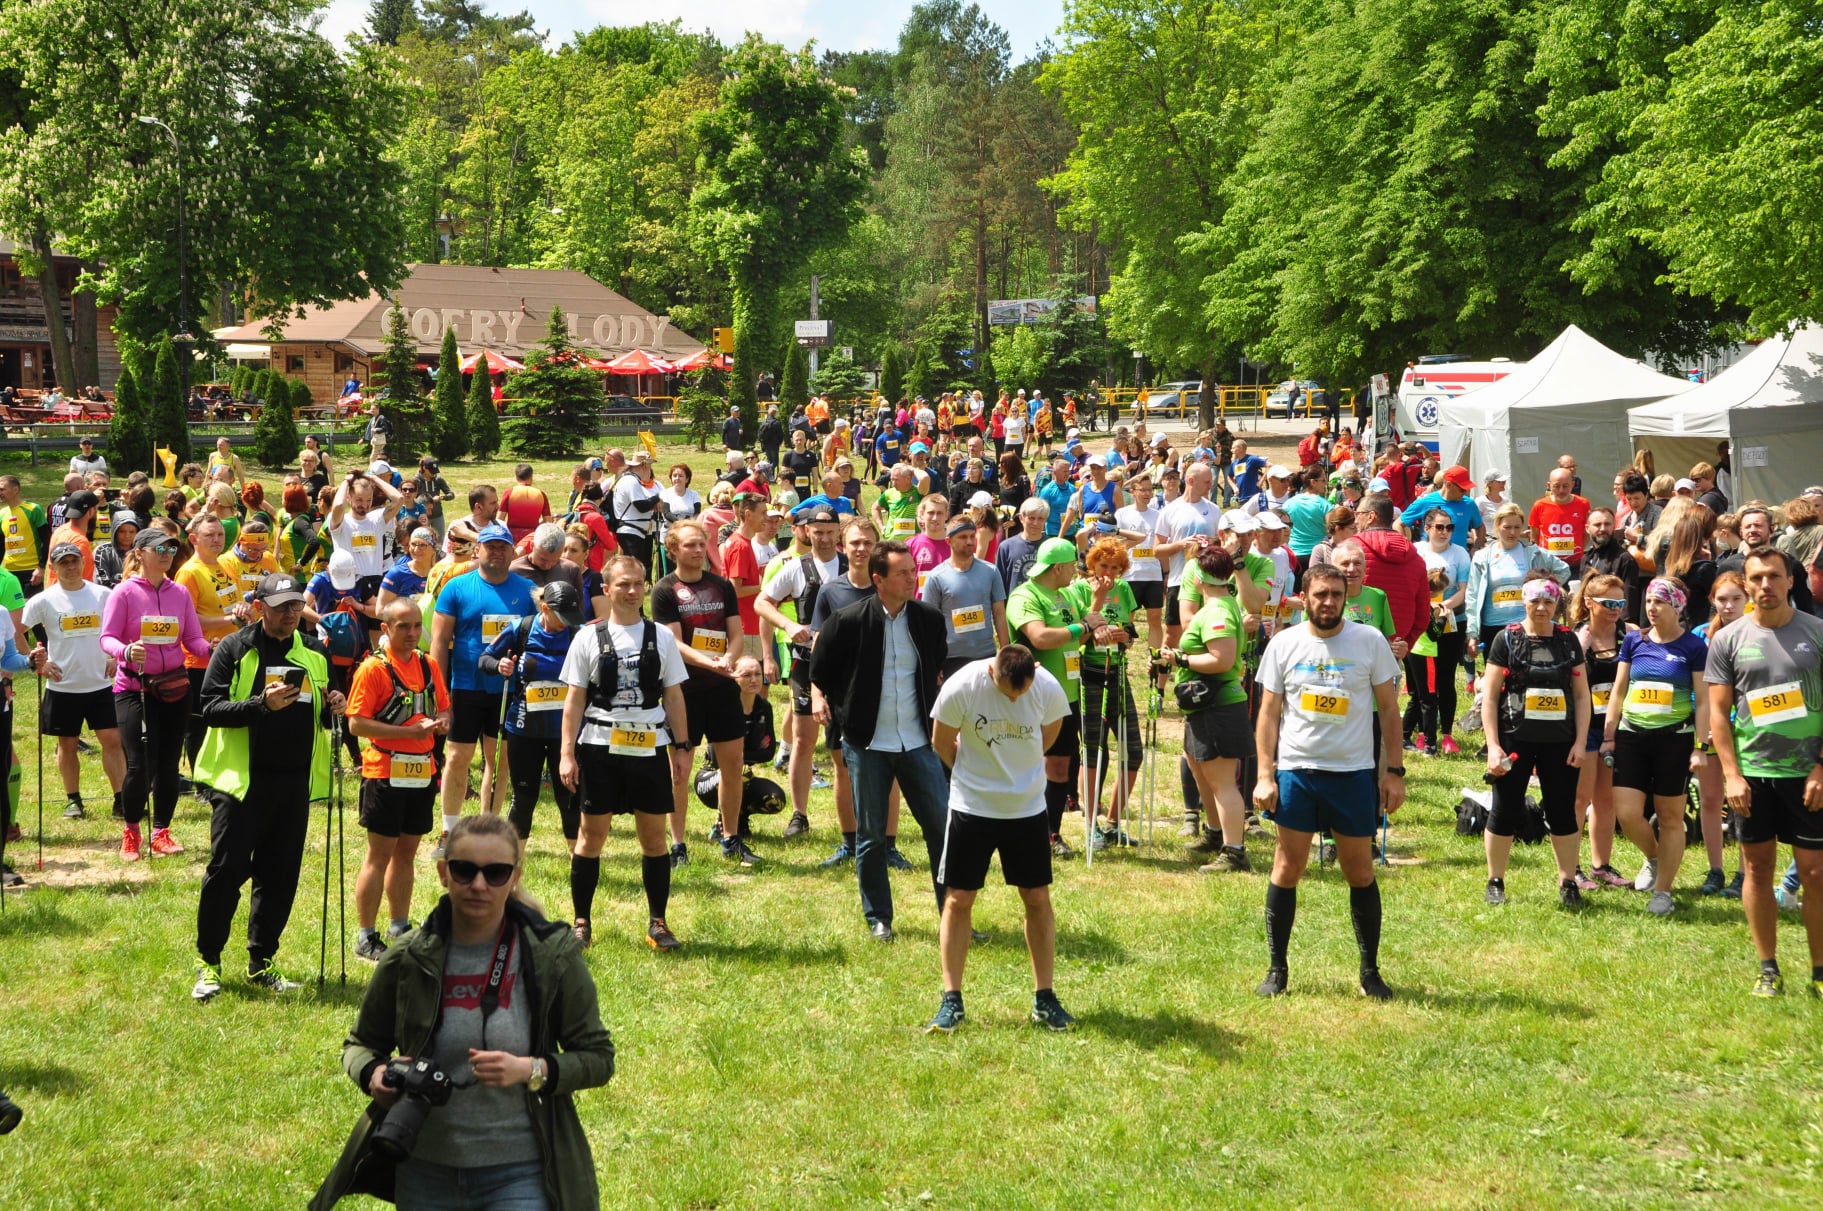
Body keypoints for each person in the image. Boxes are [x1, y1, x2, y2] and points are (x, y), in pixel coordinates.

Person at [311, 813, 616, 1211]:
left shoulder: (549, 955)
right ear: (442, 872)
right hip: (424, 1166)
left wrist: (531, 1070)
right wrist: (375, 1074)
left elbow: (598, 1059)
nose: (478, 884)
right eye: (464, 870)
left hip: (520, 1170)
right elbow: (359, 1045)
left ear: (515, 877)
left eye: (496, 873)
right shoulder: (407, 958)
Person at [1252, 560, 1405, 1000]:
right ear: (1305, 597)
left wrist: (1392, 772)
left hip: (1352, 774)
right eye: (1320, 594)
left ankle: (1370, 971)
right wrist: (1265, 775)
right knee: (1287, 867)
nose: (1329, 602)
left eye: (1337, 595)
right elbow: (1267, 714)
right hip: (1297, 771)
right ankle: (1277, 969)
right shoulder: (1284, 644)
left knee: (1359, 871)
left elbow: (1390, 712)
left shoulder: (1369, 641)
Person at [190, 572, 345, 1000]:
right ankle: (209, 962)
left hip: (293, 781)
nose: (291, 615)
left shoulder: (314, 652)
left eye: (296, 606)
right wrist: (260, 704)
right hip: (241, 782)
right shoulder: (234, 648)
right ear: (260, 608)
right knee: (226, 872)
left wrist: (336, 705)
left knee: (279, 876)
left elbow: (323, 709)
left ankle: (262, 961)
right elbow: (209, 707)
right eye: (281, 608)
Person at [926, 645, 1076, 1033]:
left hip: (1026, 809)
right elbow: (941, 741)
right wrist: (970, 774)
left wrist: (1021, 770)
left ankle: (1045, 999)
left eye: (1020, 694)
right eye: (1009, 692)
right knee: (958, 900)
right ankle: (951, 1001)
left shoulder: (1044, 684)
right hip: (971, 807)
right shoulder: (962, 685)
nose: (1014, 699)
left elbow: (1051, 731)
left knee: (1038, 898)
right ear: (993, 672)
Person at [809, 541, 952, 942]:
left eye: (913, 570)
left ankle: (953, 916)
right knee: (870, 836)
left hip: (919, 742)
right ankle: (879, 918)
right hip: (867, 744)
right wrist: (843, 707)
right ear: (879, 579)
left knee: (942, 830)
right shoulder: (848, 620)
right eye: (903, 573)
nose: (914, 577)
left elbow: (936, 665)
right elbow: (820, 671)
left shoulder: (928, 619)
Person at [560, 554, 693, 951]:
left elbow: (673, 694)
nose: (632, 591)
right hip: (599, 748)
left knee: (654, 839)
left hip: (649, 748)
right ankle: (581, 921)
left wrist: (682, 747)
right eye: (623, 584)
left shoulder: (661, 636)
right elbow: (574, 700)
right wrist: (567, 753)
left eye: (638, 583)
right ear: (607, 589)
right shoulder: (587, 637)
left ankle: (658, 922)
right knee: (591, 837)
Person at [1705, 550, 1823, 997]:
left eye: (1775, 575)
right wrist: (1732, 775)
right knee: (1757, 868)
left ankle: (1820, 972)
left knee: (1814, 873)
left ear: (1791, 580)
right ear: (1747, 583)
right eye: (1757, 577)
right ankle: (1768, 968)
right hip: (1753, 774)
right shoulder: (1729, 639)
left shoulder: (1816, 633)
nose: (1766, 584)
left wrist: (1821, 767)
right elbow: (1718, 713)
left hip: (1808, 774)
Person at [345, 598, 452, 963]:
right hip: (385, 770)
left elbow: (444, 706)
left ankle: (399, 926)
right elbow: (356, 723)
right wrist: (404, 733)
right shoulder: (373, 670)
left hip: (422, 770)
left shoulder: (429, 664)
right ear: (386, 630)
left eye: (416, 626)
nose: (411, 634)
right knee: (380, 854)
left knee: (407, 853)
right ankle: (365, 935)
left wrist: (443, 721)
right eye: (403, 627)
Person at [1479, 575, 1593, 909]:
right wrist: (1493, 745)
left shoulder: (1568, 641)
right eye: (1535, 601)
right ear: (1524, 602)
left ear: (1557, 603)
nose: (1541, 608)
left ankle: (1568, 881)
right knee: (1505, 809)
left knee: (1562, 812)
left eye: (1548, 601)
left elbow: (1582, 695)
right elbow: (1488, 697)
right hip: (1515, 738)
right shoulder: (1507, 639)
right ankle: (1495, 880)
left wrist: (1581, 742)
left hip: (1560, 740)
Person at [1602, 576, 1710, 914]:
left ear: (1676, 606)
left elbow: (1703, 702)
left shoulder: (1693, 647)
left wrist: (1700, 746)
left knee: (1670, 817)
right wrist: (1609, 735)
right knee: (1627, 812)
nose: (1652, 608)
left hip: (1674, 740)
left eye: (1659, 602)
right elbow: (1618, 691)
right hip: (1632, 736)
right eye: (1649, 601)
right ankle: (1653, 857)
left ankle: (1663, 891)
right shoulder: (1634, 640)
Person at [101, 528, 211, 860]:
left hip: (175, 688)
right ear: (140, 552)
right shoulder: (123, 593)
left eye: (171, 548)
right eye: (159, 547)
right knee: (140, 765)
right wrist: (125, 651)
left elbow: (193, 641)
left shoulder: (179, 593)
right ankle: (132, 831)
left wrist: (216, 651)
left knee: (168, 764)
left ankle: (161, 831)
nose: (166, 553)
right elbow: (107, 637)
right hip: (135, 690)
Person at [1008, 538, 1121, 858]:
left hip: (1068, 696)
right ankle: (1018, 831)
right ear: (1058, 567)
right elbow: (1040, 637)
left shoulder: (1065, 595)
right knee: (1027, 768)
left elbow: (1080, 634)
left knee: (1060, 767)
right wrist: (1083, 624)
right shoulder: (1025, 596)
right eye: (1073, 565)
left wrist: (1095, 611)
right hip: (1033, 696)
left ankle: (1050, 834)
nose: (1076, 571)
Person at [650, 520, 752, 867]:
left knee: (733, 766)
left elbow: (736, 633)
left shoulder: (721, 587)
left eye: (700, 544)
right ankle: (677, 845)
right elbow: (673, 643)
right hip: (684, 691)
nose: (696, 551)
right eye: (689, 545)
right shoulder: (664, 590)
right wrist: (714, 663)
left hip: (723, 689)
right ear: (673, 549)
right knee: (679, 769)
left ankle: (731, 836)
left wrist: (730, 658)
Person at [430, 523, 536, 851]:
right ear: (478, 550)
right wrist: (439, 692)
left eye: (503, 546)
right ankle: (449, 831)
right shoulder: (456, 587)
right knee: (458, 757)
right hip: (465, 686)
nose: (497, 551)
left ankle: (487, 830)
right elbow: (439, 640)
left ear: (512, 550)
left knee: (499, 760)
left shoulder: (528, 590)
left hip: (507, 689)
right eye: (490, 546)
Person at [1159, 545, 1253, 870]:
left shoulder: (1217, 611)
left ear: (1198, 576)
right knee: (1204, 773)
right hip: (1204, 704)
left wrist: (1179, 658)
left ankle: (1234, 851)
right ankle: (1215, 834)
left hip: (1219, 705)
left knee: (1223, 781)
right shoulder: (1216, 606)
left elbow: (1222, 660)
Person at [756, 508, 846, 841]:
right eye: (817, 532)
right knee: (804, 739)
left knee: (848, 743)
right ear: (806, 532)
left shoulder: (853, 566)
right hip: (806, 662)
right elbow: (763, 603)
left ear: (839, 532)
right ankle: (799, 814)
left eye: (829, 531)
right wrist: (789, 624)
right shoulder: (796, 568)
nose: (823, 538)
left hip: (847, 664)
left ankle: (855, 815)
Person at [23, 541, 125, 821]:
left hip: (100, 684)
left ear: (83, 563)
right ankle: (73, 800)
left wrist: (115, 655)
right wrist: (36, 662)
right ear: (53, 568)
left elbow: (120, 627)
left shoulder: (102, 594)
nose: (70, 567)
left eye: (74, 561)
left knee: (113, 740)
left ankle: (121, 799)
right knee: (67, 744)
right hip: (63, 686)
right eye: (63, 563)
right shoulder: (43, 600)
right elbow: (16, 630)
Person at [1063, 535, 1142, 844]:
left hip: (1117, 670)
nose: (1108, 573)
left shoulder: (1123, 590)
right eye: (1102, 565)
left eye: (1114, 567)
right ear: (1092, 564)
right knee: (1093, 750)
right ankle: (1090, 823)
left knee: (1133, 750)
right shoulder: (1077, 590)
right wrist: (1096, 605)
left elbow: (1132, 631)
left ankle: (1112, 822)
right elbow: (1077, 638)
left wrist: (1124, 636)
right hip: (1088, 672)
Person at [1573, 574, 1636, 889]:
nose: (1615, 609)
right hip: (1584, 729)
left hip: (1616, 728)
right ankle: (1571, 867)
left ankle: (1601, 866)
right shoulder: (1576, 639)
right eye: (1607, 603)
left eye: (1620, 603)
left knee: (1605, 799)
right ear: (1588, 603)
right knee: (1580, 798)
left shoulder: (1630, 636)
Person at [1466, 502, 1572, 658]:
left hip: (1526, 624)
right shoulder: (1482, 557)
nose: (1512, 532)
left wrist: (1545, 589)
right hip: (1493, 626)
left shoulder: (1532, 552)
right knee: (1496, 677)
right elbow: (1472, 596)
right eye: (1507, 527)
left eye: (1517, 527)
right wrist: (1472, 634)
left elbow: (1564, 570)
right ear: (1497, 526)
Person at [1407, 508, 1470, 755]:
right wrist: (1426, 607)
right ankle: (1422, 732)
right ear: (1427, 528)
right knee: (1420, 683)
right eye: (1440, 527)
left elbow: (1464, 589)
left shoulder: (1460, 553)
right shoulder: (1416, 551)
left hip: (1451, 622)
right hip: (1420, 622)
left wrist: (1442, 606)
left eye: (1449, 527)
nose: (1445, 532)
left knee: (1445, 679)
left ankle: (1446, 734)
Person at [921, 515, 1009, 680]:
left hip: (986, 655)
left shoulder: (991, 571)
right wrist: (933, 662)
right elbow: (929, 624)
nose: (969, 541)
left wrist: (1005, 653)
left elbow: (999, 614)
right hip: (951, 659)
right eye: (962, 537)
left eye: (971, 536)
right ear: (949, 541)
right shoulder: (936, 577)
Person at [1154, 462, 1222, 648]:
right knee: (1172, 634)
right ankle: (1162, 673)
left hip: (1207, 581)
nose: (1211, 486)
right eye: (1207, 482)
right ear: (1191, 481)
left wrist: (1209, 543)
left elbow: (1221, 544)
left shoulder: (1214, 510)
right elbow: (1157, 550)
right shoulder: (1170, 510)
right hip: (1179, 580)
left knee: (1204, 632)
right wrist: (1181, 544)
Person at [1115, 471, 1164, 650]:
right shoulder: (1122, 514)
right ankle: (1123, 654)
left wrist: (1165, 574)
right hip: (1130, 574)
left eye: (1149, 490)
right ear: (1133, 491)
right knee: (1127, 619)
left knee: (1155, 619)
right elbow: (1116, 541)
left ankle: (1155, 657)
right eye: (1142, 490)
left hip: (1153, 574)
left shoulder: (1158, 515)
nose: (1147, 494)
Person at [1529, 467, 1593, 574]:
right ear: (1549, 486)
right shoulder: (1539, 505)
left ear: (1572, 485)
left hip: (1575, 565)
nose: (1561, 490)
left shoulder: (1583, 504)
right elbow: (1534, 535)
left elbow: (1587, 532)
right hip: (1548, 566)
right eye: (1557, 486)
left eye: (1565, 486)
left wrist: (1576, 549)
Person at [610, 450, 664, 576]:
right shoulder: (631, 481)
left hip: (636, 530)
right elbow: (641, 506)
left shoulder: (631, 480)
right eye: (649, 465)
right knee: (634, 566)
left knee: (636, 565)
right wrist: (658, 497)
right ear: (644, 465)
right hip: (630, 530)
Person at [0, 475, 49, 596]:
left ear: (15, 489)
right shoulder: (2, 513)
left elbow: (47, 540)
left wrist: (41, 568)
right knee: (11, 610)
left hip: (31, 571)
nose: (0, 492)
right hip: (9, 572)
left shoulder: (33, 509)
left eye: (2, 489)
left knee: (29, 611)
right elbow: (1, 545)